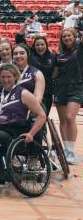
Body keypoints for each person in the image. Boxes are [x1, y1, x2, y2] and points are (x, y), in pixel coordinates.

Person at [0, 56, 46, 182]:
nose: (5, 80)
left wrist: (31, 133)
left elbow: (42, 115)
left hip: (13, 133)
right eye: (3, 77)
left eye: (9, 77)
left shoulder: (24, 93)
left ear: (15, 77)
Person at [53, 28, 82, 165]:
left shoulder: (79, 50)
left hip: (76, 87)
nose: (66, 38)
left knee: (70, 117)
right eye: (63, 36)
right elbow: (55, 73)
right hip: (60, 88)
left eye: (68, 35)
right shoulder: (59, 55)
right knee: (63, 120)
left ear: (74, 36)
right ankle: (65, 149)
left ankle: (70, 150)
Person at [16, 19, 56, 114]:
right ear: (34, 46)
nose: (40, 47)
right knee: (30, 117)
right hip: (31, 90)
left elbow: (55, 72)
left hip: (47, 92)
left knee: (44, 116)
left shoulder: (53, 57)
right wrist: (25, 24)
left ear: (46, 45)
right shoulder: (30, 54)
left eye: (42, 44)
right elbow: (19, 39)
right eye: (37, 45)